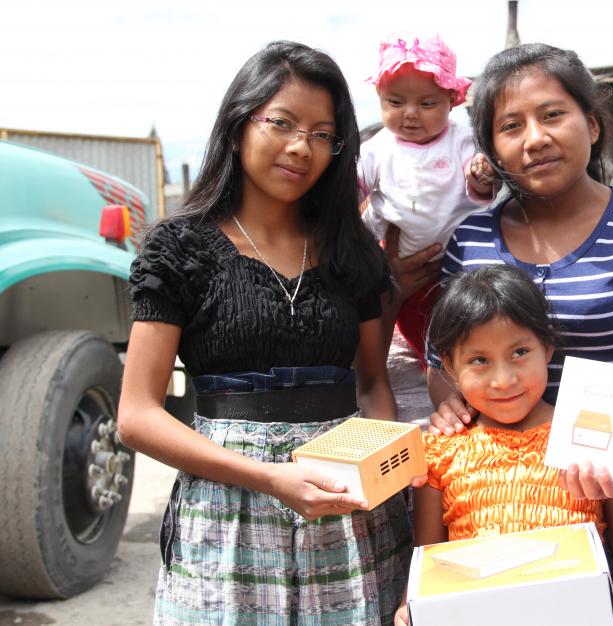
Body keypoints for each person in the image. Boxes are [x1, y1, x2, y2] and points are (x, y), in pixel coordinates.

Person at [117, 41, 414, 625]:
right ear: (237, 126)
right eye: (282, 122)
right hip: (226, 519)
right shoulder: (179, 249)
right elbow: (137, 415)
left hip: (348, 514)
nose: (302, 146)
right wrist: (273, 478)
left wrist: (383, 493)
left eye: (324, 134)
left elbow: (373, 385)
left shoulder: (352, 251)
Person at [424, 43, 613, 506]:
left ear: (591, 124)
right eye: (511, 126)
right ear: (492, 151)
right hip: (499, 498)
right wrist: (448, 402)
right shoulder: (470, 239)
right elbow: (441, 361)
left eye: (551, 115)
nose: (535, 138)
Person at [394, 265, 613, 626]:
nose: (503, 379)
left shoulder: (589, 440)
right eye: (479, 360)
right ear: (450, 367)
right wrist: (411, 608)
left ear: (547, 346)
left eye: (519, 352)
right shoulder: (440, 453)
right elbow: (427, 565)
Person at [359, 33, 494, 360]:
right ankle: (430, 364)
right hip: (397, 258)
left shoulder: (461, 140)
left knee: (468, 322)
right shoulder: (378, 147)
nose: (410, 114)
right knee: (416, 324)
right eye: (395, 102)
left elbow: (477, 182)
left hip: (460, 265)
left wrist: (479, 174)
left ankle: (457, 369)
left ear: (452, 100)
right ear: (380, 96)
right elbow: (355, 183)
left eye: (426, 103)